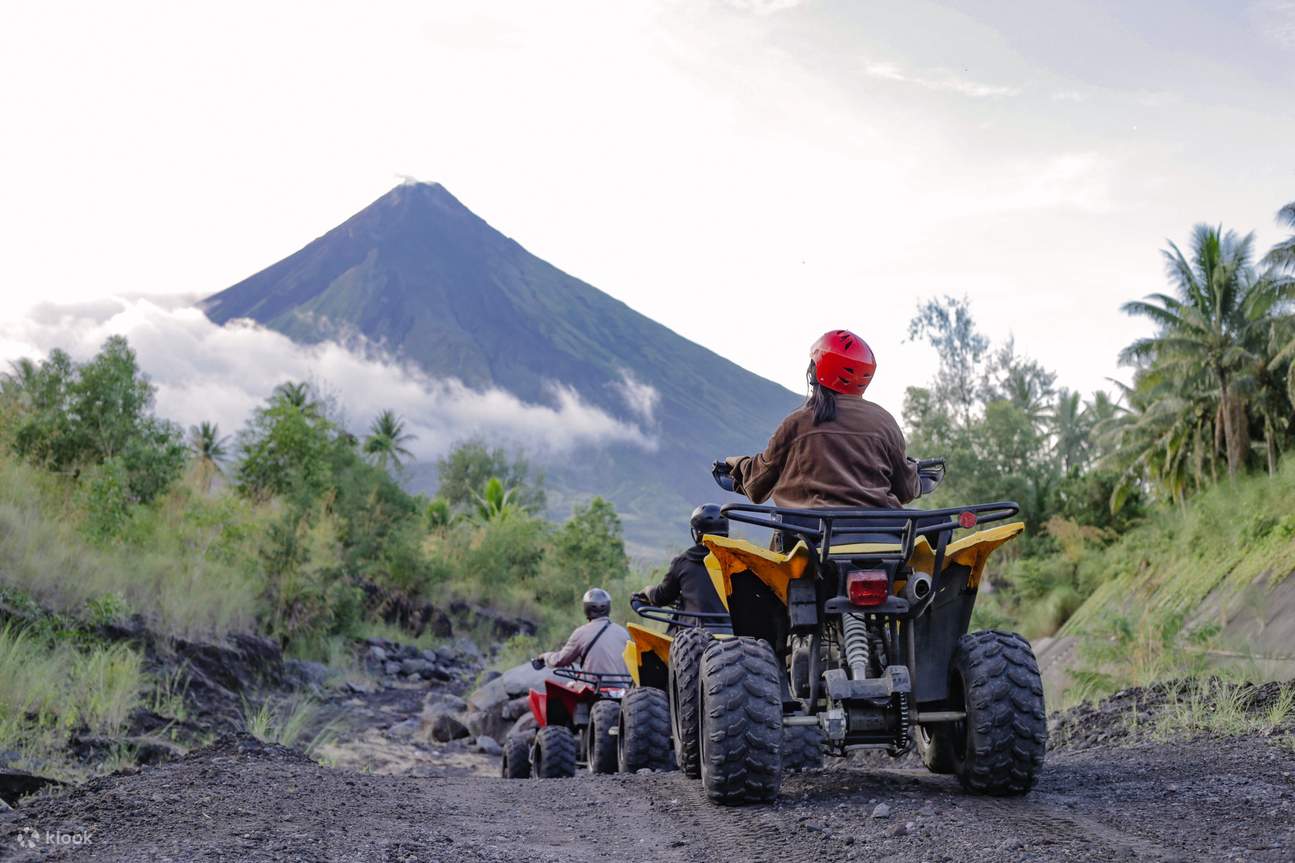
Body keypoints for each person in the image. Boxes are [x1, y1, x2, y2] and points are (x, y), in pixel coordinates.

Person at [723, 329, 920, 512]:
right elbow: (906, 490)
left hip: (810, 541)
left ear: (816, 371)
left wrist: (737, 465)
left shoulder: (797, 423)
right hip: (882, 538)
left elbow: (757, 483)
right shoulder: (885, 422)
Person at [632, 504, 729, 628]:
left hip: (693, 635)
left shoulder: (683, 562)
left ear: (696, 532)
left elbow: (662, 597)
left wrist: (647, 591)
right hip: (733, 633)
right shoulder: (740, 561)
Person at [531, 588, 630, 677]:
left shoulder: (581, 633)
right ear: (608, 607)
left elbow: (560, 660)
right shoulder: (623, 632)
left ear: (586, 608)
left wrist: (544, 656)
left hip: (595, 689)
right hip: (623, 690)